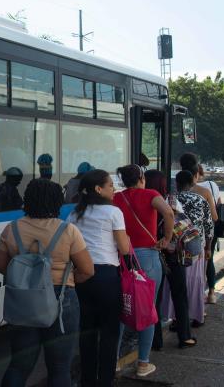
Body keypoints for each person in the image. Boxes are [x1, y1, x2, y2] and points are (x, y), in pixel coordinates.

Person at [0, 179, 94, 387]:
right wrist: (66, 281)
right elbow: (87, 270)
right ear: (57, 201)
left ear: (27, 199)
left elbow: (2, 266)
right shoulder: (68, 230)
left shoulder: (11, 229)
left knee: (19, 365)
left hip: (23, 299)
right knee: (59, 367)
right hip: (61, 299)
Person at [66, 169, 131, 387]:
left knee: (87, 331)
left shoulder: (74, 214)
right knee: (109, 332)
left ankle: (87, 381)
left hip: (81, 276)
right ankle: (105, 380)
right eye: (110, 185)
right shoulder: (113, 213)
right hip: (106, 276)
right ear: (98, 189)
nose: (114, 189)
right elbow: (124, 248)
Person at [113, 165, 174, 378]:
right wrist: (166, 239)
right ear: (141, 178)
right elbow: (167, 212)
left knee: (122, 309)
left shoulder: (117, 198)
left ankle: (114, 362)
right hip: (148, 257)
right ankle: (143, 363)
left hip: (124, 257)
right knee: (147, 310)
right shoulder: (151, 194)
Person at [146, 169, 196, 350]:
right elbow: (182, 226)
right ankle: (184, 337)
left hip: (150, 253)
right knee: (179, 296)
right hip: (172, 253)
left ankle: (155, 341)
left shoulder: (141, 200)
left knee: (154, 300)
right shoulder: (171, 201)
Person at [171, 170, 212, 328]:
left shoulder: (171, 200)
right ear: (192, 183)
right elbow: (209, 227)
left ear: (177, 183)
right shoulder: (200, 200)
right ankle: (197, 316)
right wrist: (208, 247)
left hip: (175, 248)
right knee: (196, 282)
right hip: (196, 247)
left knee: (177, 284)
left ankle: (176, 319)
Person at [196, 164, 223, 304]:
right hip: (211, 229)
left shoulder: (186, 186)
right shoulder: (212, 185)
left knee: (194, 264)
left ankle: (197, 294)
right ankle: (212, 293)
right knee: (209, 259)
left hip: (191, 231)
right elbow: (218, 206)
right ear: (201, 173)